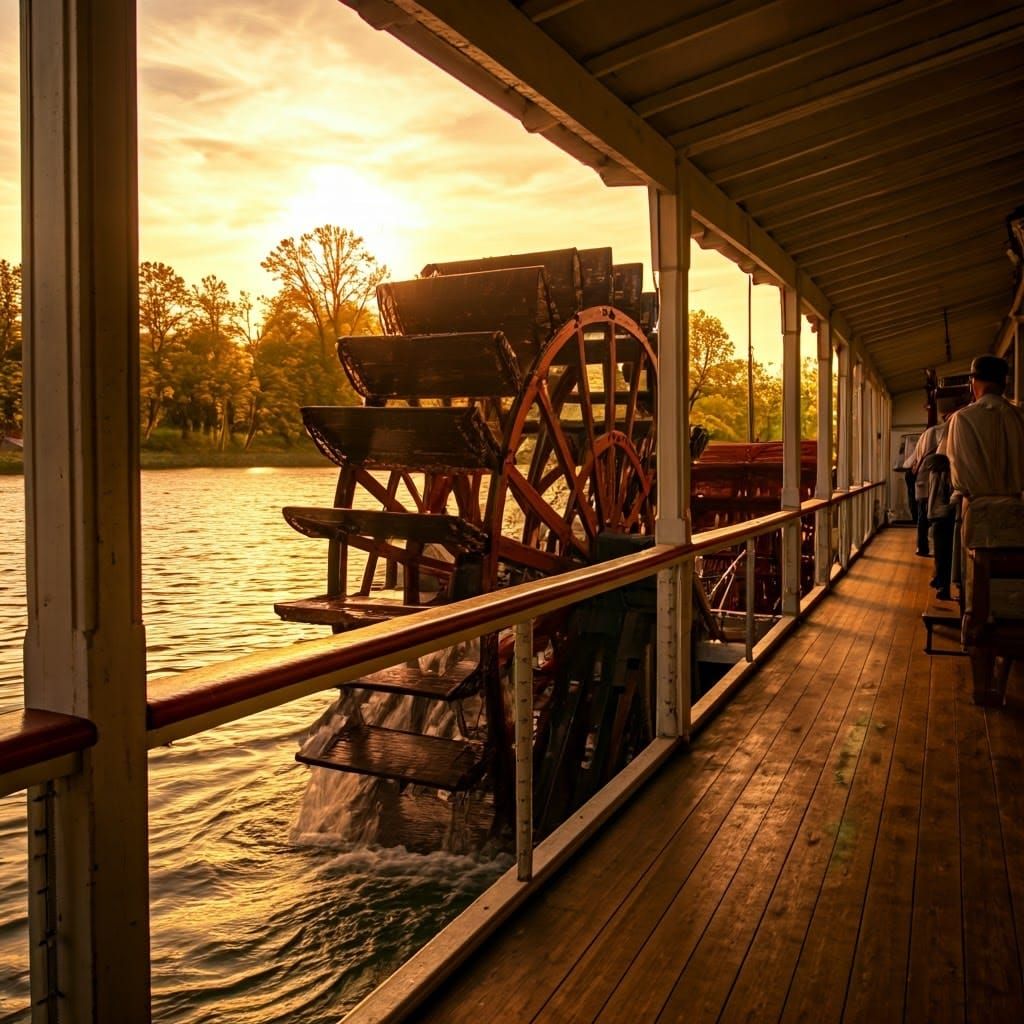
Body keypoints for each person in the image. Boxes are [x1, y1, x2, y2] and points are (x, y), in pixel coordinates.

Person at [946, 354, 1024, 706]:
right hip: (1020, 516)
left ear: (973, 383)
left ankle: (982, 678)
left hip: (981, 519)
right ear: (1004, 383)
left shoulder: (963, 419)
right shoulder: (1019, 417)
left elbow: (960, 475)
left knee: (981, 596)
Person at [905, 418, 947, 556]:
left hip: (921, 481)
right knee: (934, 516)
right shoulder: (943, 432)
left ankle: (921, 547)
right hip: (932, 481)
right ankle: (935, 549)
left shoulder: (925, 436)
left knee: (922, 516)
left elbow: (911, 462)